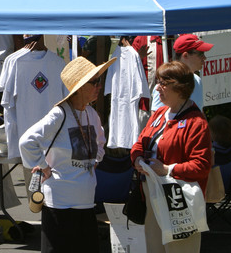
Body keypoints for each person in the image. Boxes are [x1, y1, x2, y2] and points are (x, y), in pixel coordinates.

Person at [19, 56, 112, 252]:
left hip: (86, 201)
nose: (99, 86)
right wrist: (42, 166)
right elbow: (27, 141)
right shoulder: (59, 114)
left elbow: (101, 143)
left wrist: (95, 160)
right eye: (94, 82)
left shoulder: (91, 114)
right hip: (59, 204)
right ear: (80, 87)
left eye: (99, 81)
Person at [131, 61, 211, 253]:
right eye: (158, 82)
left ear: (180, 87)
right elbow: (139, 144)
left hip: (179, 202)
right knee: (154, 248)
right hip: (152, 195)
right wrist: (138, 160)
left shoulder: (196, 123)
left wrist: (169, 169)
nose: (157, 87)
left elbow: (202, 165)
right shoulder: (159, 114)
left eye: (163, 83)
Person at [151, 34, 213, 112]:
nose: (204, 58)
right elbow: (156, 120)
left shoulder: (197, 80)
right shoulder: (165, 84)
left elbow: (200, 112)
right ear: (185, 55)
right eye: (201, 54)